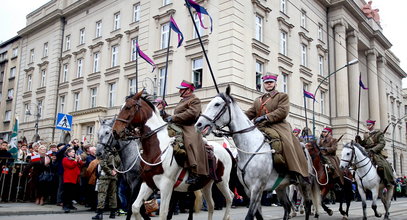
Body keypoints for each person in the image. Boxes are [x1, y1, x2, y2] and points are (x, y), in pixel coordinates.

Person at [245, 73, 309, 182]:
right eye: (266, 82)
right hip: (260, 127)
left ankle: (292, 171)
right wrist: (237, 118)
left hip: (277, 126)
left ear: (275, 83)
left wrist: (266, 117)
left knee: (283, 143)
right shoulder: (258, 100)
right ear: (263, 84)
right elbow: (250, 113)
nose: (269, 84)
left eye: (271, 82)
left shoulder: (282, 96)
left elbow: (282, 111)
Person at [163, 80, 208, 184]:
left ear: (188, 90)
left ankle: (195, 171)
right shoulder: (182, 101)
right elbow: (175, 116)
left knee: (188, 142)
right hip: (178, 126)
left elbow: (192, 114)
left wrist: (173, 117)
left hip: (190, 127)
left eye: (181, 89)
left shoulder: (194, 100)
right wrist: (164, 114)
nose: (179, 91)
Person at [356, 120, 395, 186]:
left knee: (383, 165)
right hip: (366, 152)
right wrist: (359, 140)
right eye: (367, 125)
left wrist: (373, 149)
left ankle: (387, 180)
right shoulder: (366, 134)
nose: (368, 126)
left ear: (373, 125)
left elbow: (382, 143)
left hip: (376, 152)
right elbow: (363, 144)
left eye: (369, 125)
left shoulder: (378, 133)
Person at [93, 149, 121, 219]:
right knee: (113, 194)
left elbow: (103, 164)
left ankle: (99, 213)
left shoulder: (105, 152)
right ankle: (112, 213)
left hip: (105, 175)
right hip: (114, 176)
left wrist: (110, 171)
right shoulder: (117, 153)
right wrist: (115, 171)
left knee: (102, 193)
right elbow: (119, 163)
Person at [62, 147, 84, 213]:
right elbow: (70, 166)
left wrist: (79, 159)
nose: (74, 153)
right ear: (68, 153)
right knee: (67, 193)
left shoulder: (74, 159)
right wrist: (76, 161)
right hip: (68, 178)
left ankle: (70, 205)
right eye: (73, 152)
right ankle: (65, 206)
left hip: (75, 178)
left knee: (72, 193)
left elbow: (81, 164)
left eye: (74, 152)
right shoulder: (65, 159)